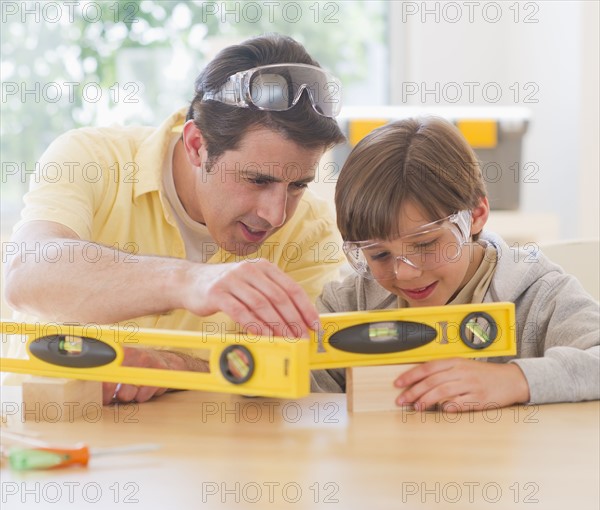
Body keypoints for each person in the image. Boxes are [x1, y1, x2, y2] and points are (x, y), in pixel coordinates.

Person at [3, 34, 347, 404]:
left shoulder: (311, 229)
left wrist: (174, 368)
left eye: (297, 185)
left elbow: (296, 369)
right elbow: (27, 275)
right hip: (40, 438)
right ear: (197, 145)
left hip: (206, 453)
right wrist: (187, 280)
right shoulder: (91, 159)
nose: (276, 214)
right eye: (257, 180)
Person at [311, 117, 599, 409]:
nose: (406, 273)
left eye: (425, 244)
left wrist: (514, 380)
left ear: (475, 215)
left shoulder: (538, 296)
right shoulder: (347, 304)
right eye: (380, 255)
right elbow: (293, 387)